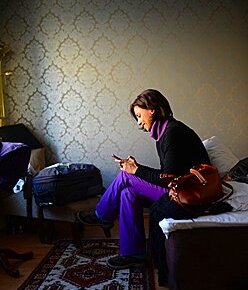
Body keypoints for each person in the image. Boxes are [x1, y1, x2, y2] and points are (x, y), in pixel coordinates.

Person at [77, 89, 210, 270]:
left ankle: (102, 215)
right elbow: (167, 175)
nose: (139, 122)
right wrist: (137, 169)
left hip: (188, 195)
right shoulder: (163, 134)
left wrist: (136, 170)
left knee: (126, 175)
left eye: (139, 115)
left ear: (152, 109)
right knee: (127, 193)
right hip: (176, 190)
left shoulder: (174, 132)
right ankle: (134, 254)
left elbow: (168, 180)